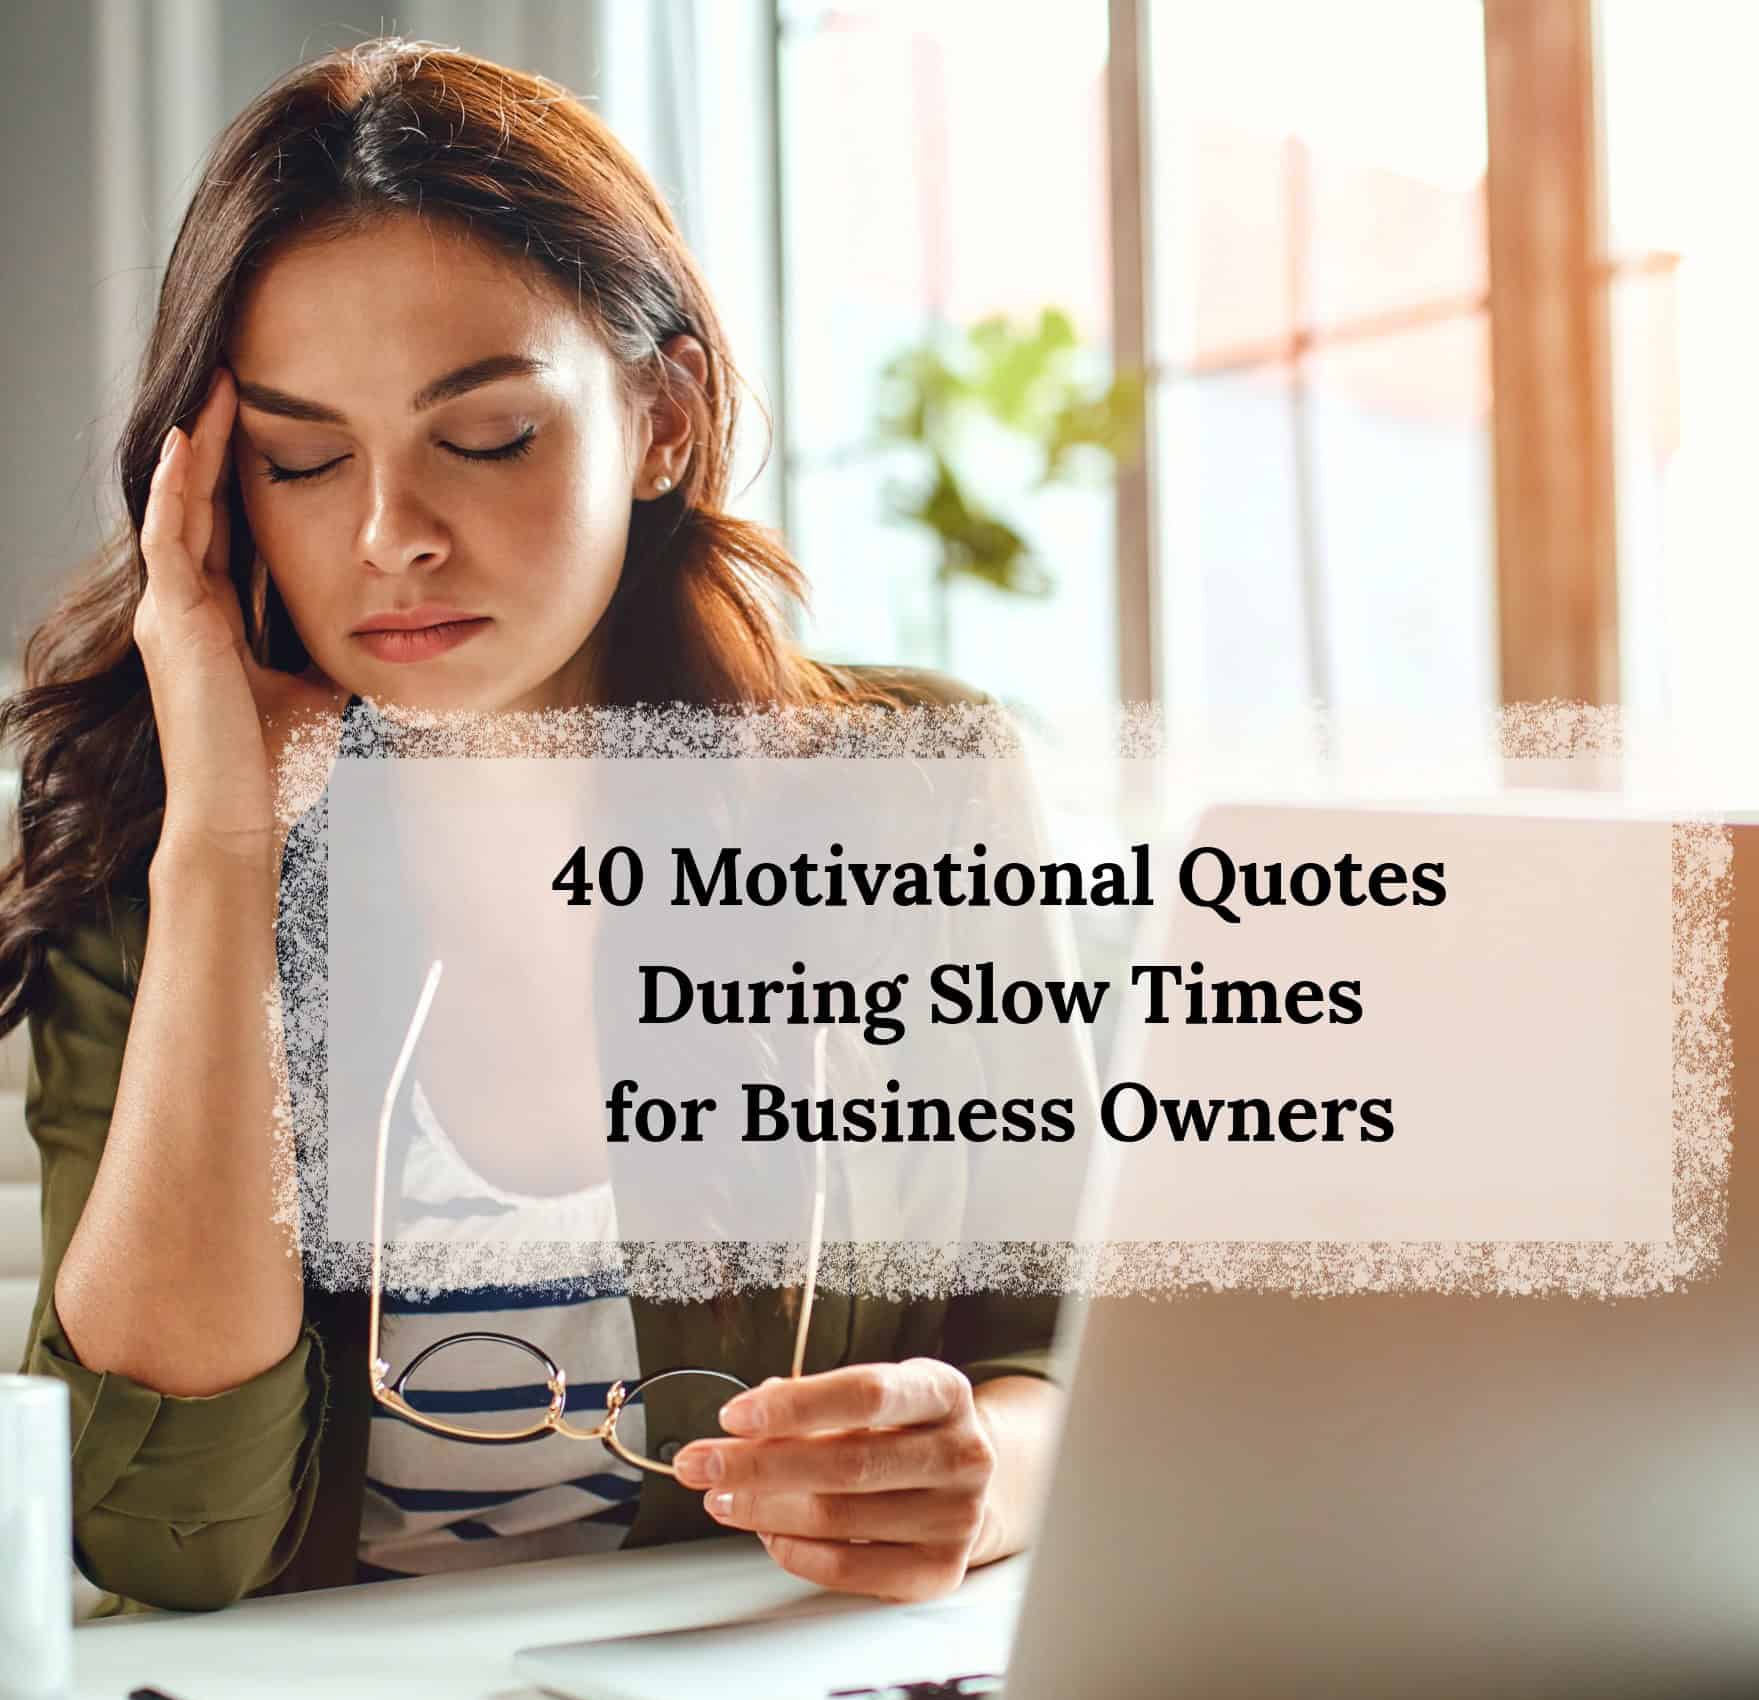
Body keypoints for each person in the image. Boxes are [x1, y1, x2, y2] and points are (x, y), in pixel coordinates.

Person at [0, 38, 1078, 1617]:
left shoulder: (913, 792)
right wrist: (227, 850)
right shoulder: (143, 854)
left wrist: (983, 1475)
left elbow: (1057, 1342)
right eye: (304, 459)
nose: (391, 537)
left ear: (664, 417)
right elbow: (168, 1533)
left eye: (488, 434)